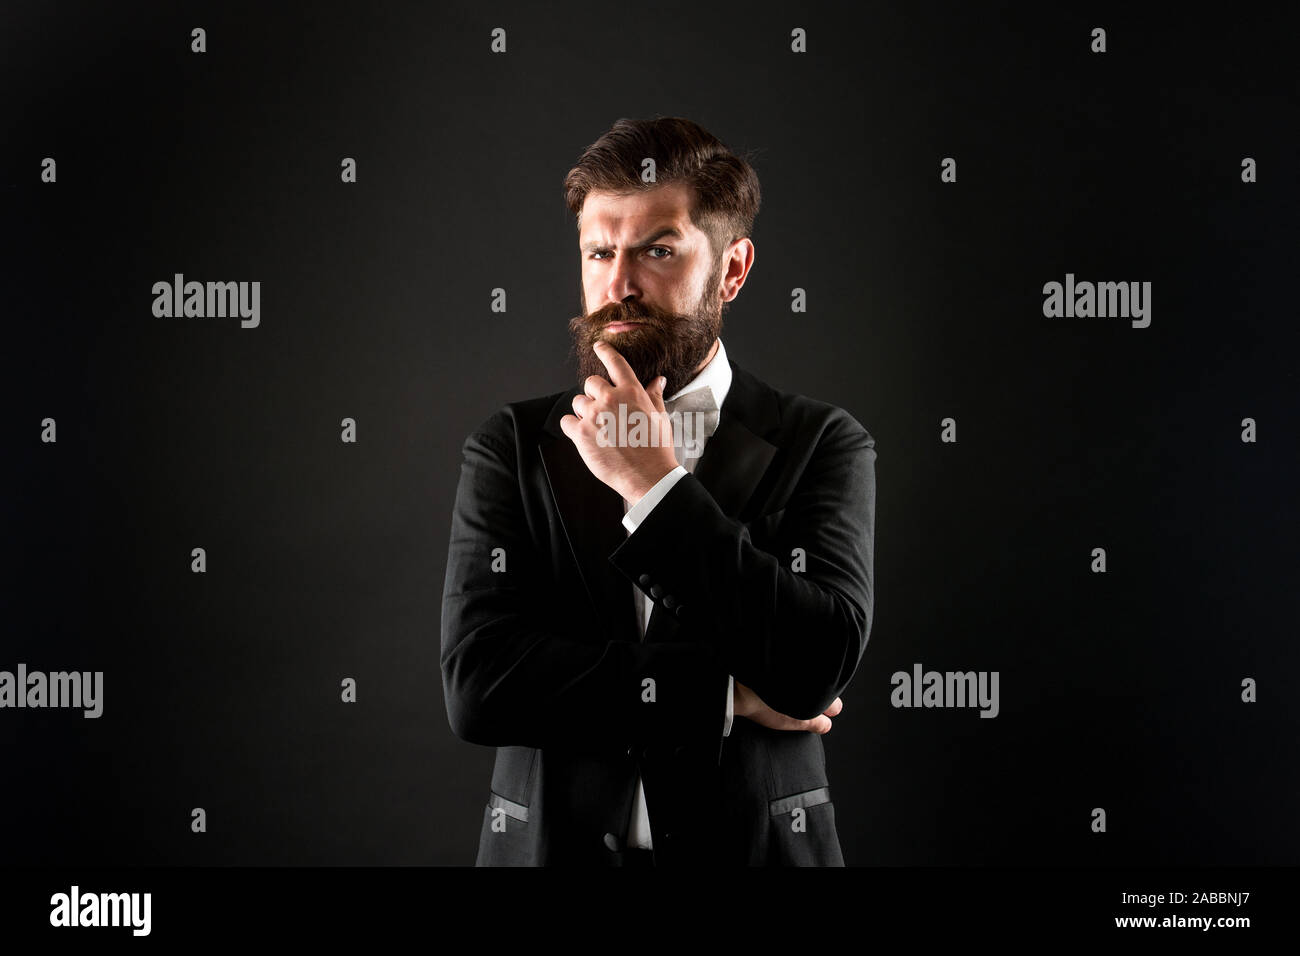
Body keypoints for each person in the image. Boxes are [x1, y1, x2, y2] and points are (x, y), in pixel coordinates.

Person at [440, 116, 877, 866]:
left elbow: (814, 665)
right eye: (599, 252)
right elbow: (482, 685)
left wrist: (655, 485)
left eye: (658, 250)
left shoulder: (822, 442)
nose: (619, 284)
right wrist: (724, 694)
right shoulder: (510, 447)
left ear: (732, 270)